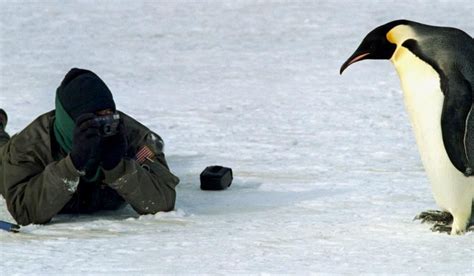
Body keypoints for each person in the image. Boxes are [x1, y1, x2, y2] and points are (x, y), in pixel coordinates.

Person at [0, 68, 179, 226]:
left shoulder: (134, 138)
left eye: (108, 116)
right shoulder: (29, 146)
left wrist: (119, 168)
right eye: (92, 120)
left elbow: (163, 202)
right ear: (71, 121)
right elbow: (24, 212)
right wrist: (72, 165)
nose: (104, 126)